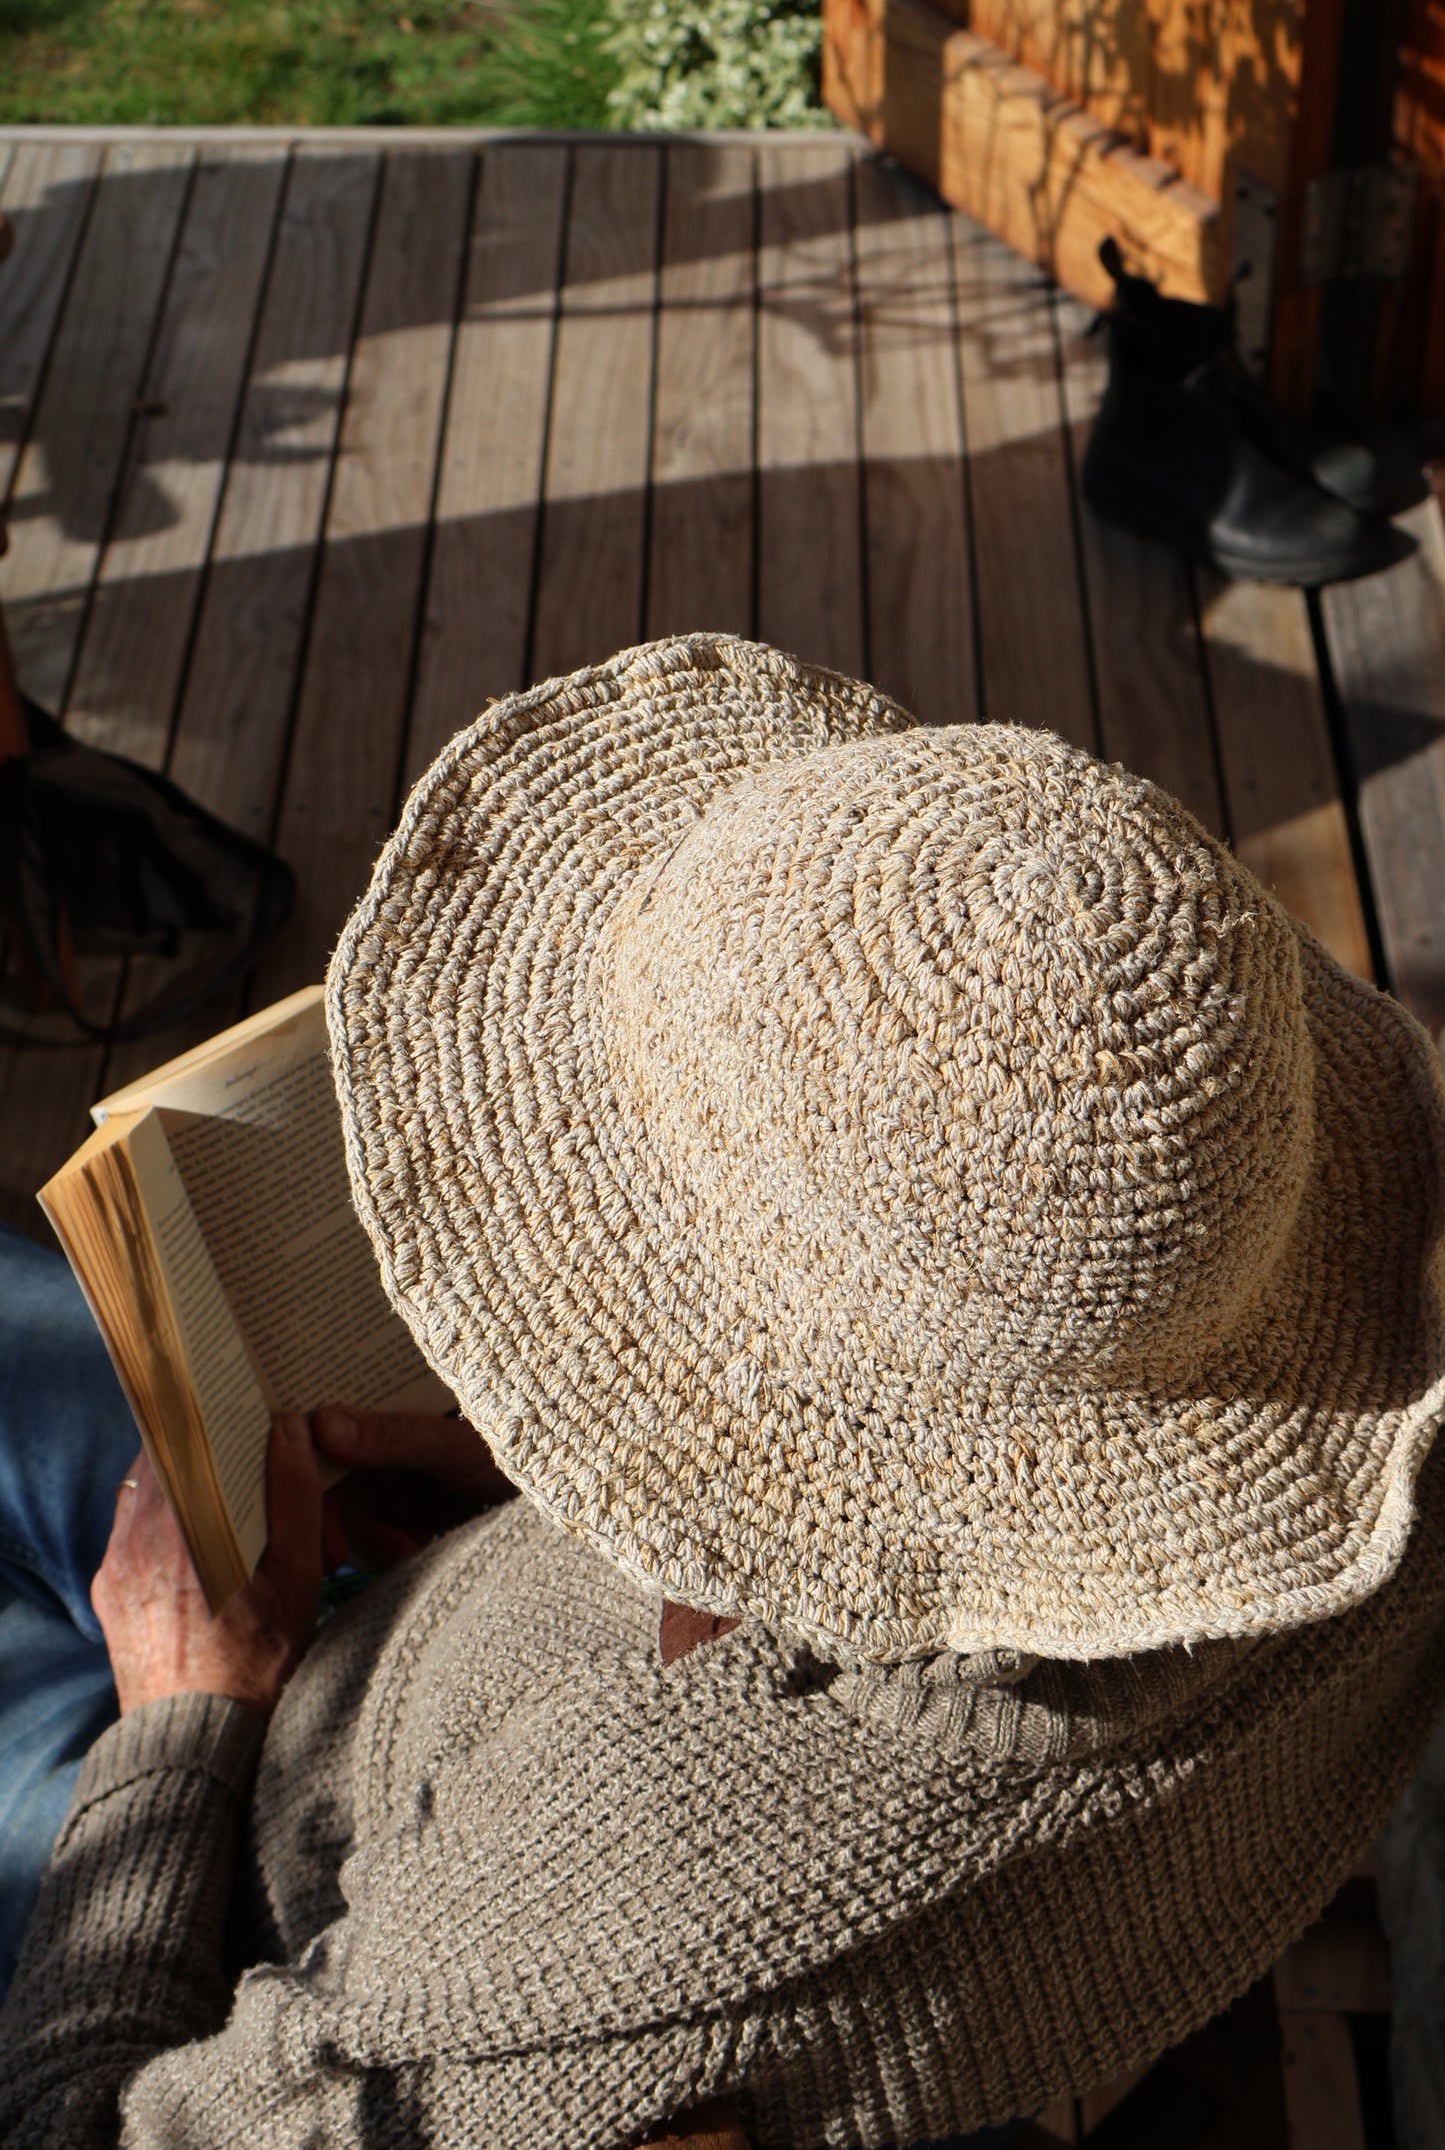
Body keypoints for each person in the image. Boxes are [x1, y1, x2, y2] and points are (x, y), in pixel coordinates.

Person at [2, 631, 1445, 2150]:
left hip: (240, 1867)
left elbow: (91, 2133)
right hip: (454, 1640)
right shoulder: (1389, 1444)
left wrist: (174, 1725)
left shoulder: (611, 1918)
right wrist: (570, 1510)